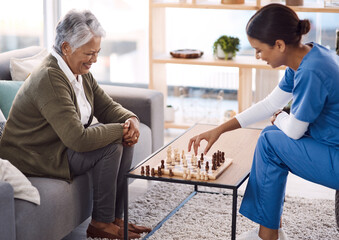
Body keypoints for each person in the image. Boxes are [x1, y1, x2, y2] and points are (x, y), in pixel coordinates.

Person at [188, 4, 339, 240]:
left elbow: (295, 130)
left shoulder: (311, 71)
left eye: (259, 50)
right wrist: (219, 131)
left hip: (336, 155)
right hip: (329, 145)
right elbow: (269, 104)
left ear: (279, 44)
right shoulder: (307, 56)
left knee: (270, 140)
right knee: (271, 137)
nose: (258, 57)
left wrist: (280, 117)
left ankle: (268, 236)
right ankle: (269, 233)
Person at [0, 10, 151, 239]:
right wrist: (121, 131)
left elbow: (106, 106)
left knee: (125, 140)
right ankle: (100, 224)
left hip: (58, 145)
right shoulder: (50, 77)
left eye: (97, 52)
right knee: (114, 144)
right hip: (36, 154)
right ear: (67, 47)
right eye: (89, 53)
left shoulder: (78, 71)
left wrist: (131, 120)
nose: (95, 59)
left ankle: (115, 219)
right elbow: (76, 139)